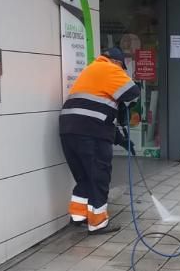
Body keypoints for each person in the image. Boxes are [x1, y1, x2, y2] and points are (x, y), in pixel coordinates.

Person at [60, 47, 140, 235]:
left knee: (84, 176)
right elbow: (133, 91)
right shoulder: (110, 69)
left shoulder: (91, 70)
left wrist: (122, 141)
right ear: (118, 63)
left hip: (69, 131)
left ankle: (78, 216)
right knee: (98, 176)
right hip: (90, 132)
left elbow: (98, 115)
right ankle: (97, 223)